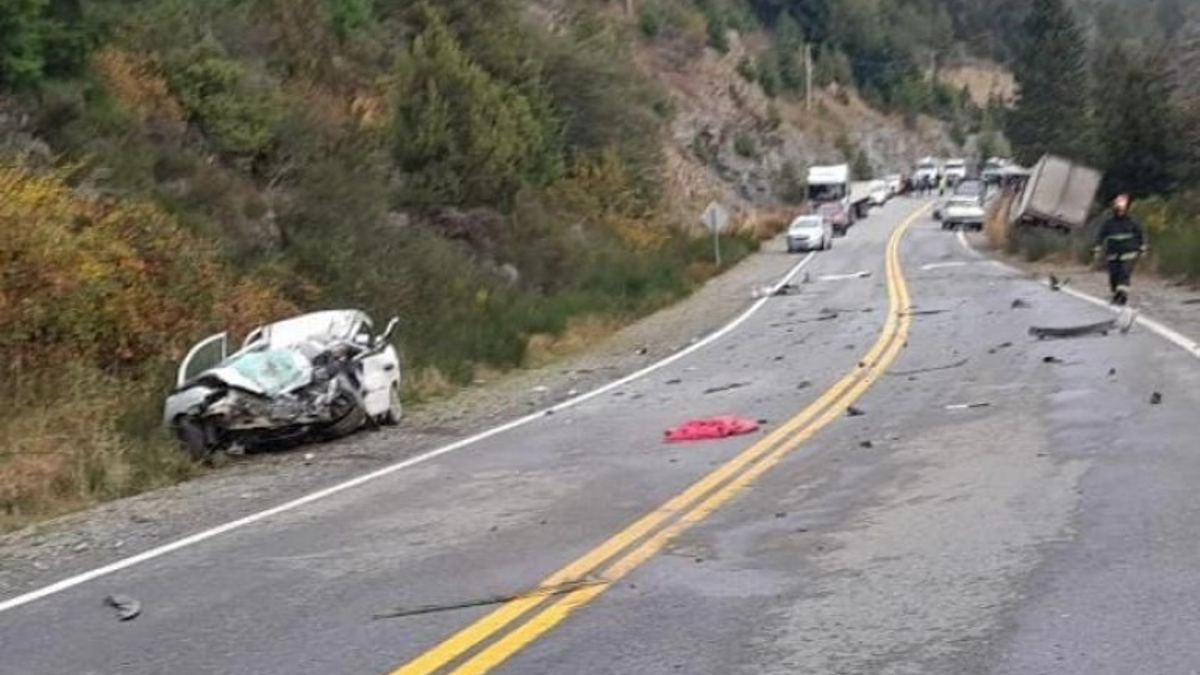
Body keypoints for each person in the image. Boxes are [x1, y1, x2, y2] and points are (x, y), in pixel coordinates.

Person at [1094, 194, 1147, 306]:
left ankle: (1122, 296)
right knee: (1114, 275)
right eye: (1118, 207)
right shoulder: (1109, 223)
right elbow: (1101, 236)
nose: (1120, 210)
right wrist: (1097, 248)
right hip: (1113, 254)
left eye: (1122, 207)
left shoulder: (1132, 222)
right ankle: (1116, 293)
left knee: (1124, 273)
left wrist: (1142, 248)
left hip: (1129, 253)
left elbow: (1140, 235)